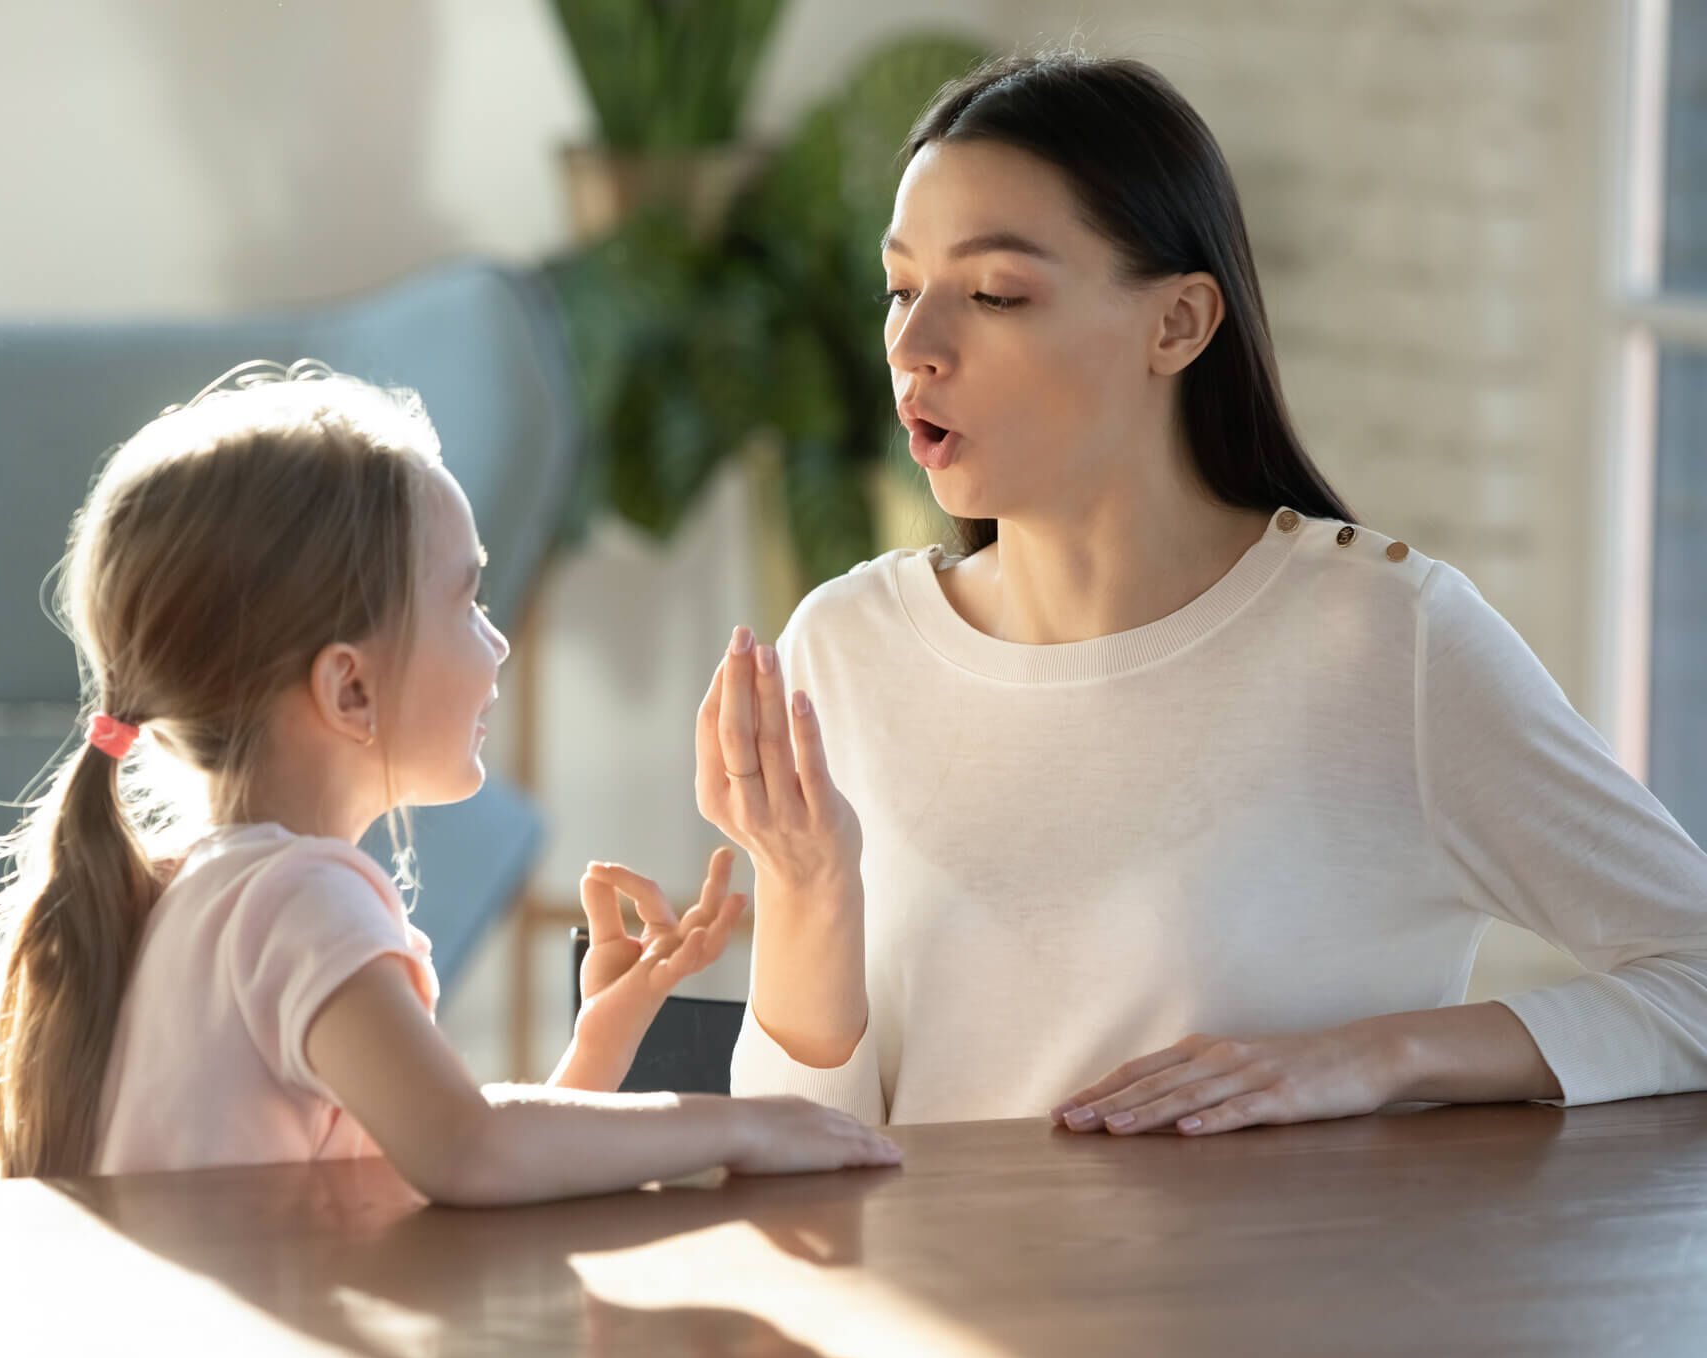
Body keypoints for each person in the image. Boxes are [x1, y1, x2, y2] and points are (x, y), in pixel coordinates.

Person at [704, 53, 1707, 1135]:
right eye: (901, 290)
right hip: (908, 1302)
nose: (913, 344)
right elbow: (797, 1157)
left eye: (995, 293)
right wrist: (807, 892)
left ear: (1178, 324)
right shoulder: (845, 651)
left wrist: (1385, 1057)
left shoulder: (1383, 640)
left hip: (1275, 1304)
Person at [0, 361, 899, 1200]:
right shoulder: (297, 899)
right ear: (350, 687)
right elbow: (465, 1152)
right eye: (467, 598)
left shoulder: (189, 892)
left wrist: (602, 1043)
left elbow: (438, 1172)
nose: (495, 642)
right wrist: (742, 1122)